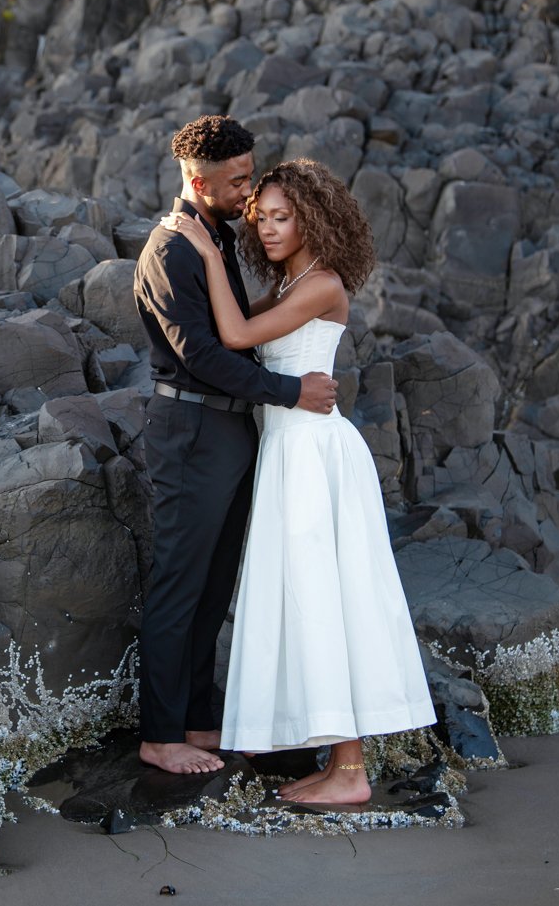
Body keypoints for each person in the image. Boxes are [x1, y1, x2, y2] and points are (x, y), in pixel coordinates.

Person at [161, 158, 436, 804]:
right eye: (261, 221)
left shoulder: (322, 284)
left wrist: (203, 247)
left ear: (313, 216)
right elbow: (229, 338)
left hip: (313, 456)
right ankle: (335, 758)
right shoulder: (294, 284)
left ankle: (351, 770)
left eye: (283, 217)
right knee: (308, 597)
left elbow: (233, 332)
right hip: (290, 453)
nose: (271, 231)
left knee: (326, 598)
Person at [134, 117, 339, 776]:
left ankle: (197, 715)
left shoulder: (215, 233)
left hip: (227, 431)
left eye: (251, 173)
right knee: (178, 584)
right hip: (191, 429)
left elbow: (239, 333)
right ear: (199, 181)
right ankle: (160, 734)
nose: (249, 190)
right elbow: (205, 357)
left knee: (214, 585)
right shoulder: (171, 251)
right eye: (239, 179)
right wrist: (289, 391)